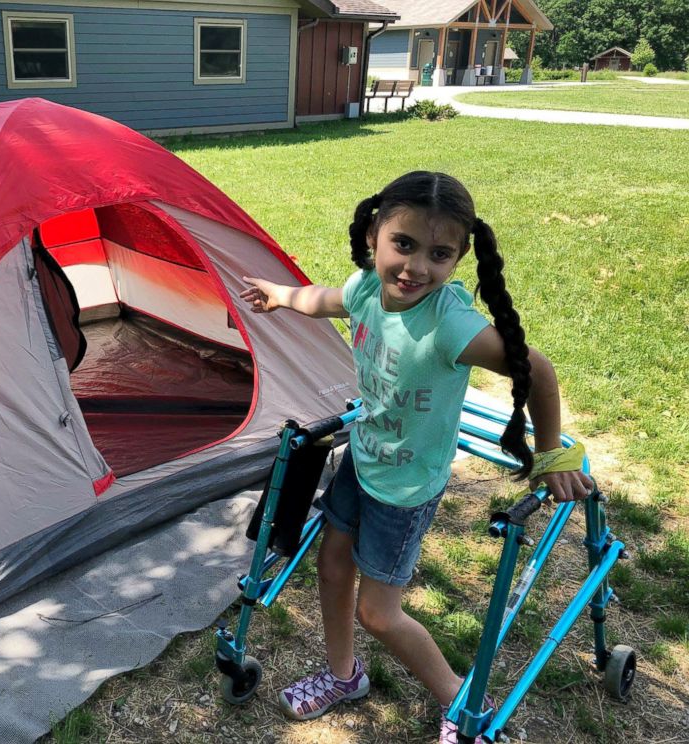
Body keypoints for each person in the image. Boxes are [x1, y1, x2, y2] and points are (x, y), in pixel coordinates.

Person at [239, 171, 593, 743]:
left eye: (439, 254)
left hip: (405, 489)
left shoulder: (450, 325)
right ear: (376, 233)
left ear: (458, 259)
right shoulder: (364, 289)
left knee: (378, 613)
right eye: (403, 244)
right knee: (331, 566)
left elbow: (541, 371)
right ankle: (342, 675)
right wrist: (282, 296)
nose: (416, 267)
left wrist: (550, 454)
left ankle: (459, 701)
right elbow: (327, 300)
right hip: (364, 458)